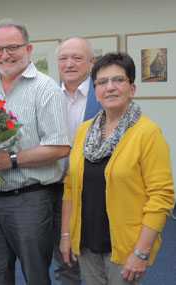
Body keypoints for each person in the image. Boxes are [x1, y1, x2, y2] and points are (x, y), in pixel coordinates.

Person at [60, 52, 174, 285]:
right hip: (86, 242)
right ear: (95, 91)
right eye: (102, 82)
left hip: (124, 247)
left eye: (118, 80)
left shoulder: (147, 133)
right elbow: (70, 187)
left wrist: (141, 252)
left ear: (132, 89)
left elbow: (161, 197)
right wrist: (66, 235)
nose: (109, 87)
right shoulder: (84, 131)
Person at [0, 19, 70, 285]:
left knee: (35, 275)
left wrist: (11, 161)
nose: (5, 55)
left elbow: (61, 146)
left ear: (28, 49)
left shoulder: (46, 89)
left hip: (30, 200)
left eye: (12, 47)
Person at [53, 37, 101, 285]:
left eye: (77, 58)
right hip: (54, 189)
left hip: (94, 192)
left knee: (96, 260)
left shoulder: (104, 95)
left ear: (91, 63)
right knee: (65, 259)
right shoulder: (47, 95)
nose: (69, 63)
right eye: (63, 58)